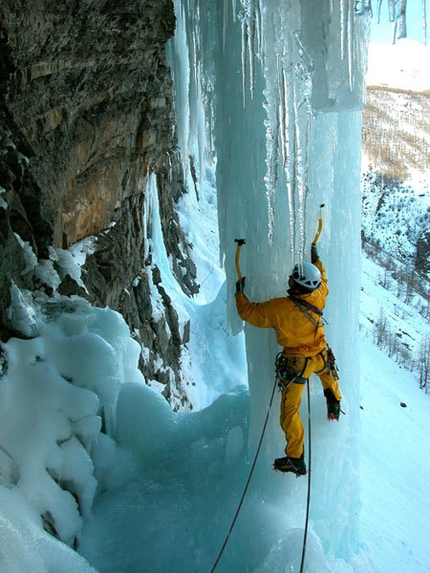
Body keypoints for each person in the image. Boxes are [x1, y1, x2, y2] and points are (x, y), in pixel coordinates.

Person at [235, 242, 342, 476]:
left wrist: (239, 293)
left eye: (293, 279)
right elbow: (323, 278)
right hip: (320, 355)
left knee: (289, 413)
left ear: (298, 285)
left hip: (297, 365)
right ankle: (334, 400)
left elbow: (249, 313)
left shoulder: (280, 308)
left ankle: (296, 457)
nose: (289, 280)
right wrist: (317, 261)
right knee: (328, 375)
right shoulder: (319, 295)